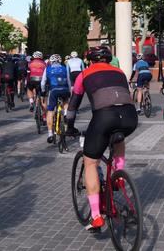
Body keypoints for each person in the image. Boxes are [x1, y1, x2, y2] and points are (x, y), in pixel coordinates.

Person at [66, 46, 138, 230]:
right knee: (119, 138)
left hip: (104, 117)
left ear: (90, 60)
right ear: (108, 59)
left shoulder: (85, 74)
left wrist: (70, 126)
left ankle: (96, 216)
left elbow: (73, 104)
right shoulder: (120, 72)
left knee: (91, 163)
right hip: (130, 117)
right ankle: (119, 175)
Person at [42, 54, 73, 142]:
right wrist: (70, 92)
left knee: (50, 111)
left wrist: (43, 91)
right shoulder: (64, 68)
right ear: (60, 61)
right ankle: (66, 113)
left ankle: (50, 134)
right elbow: (69, 80)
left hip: (54, 90)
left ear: (51, 62)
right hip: (64, 90)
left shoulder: (48, 68)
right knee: (66, 101)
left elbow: (43, 82)